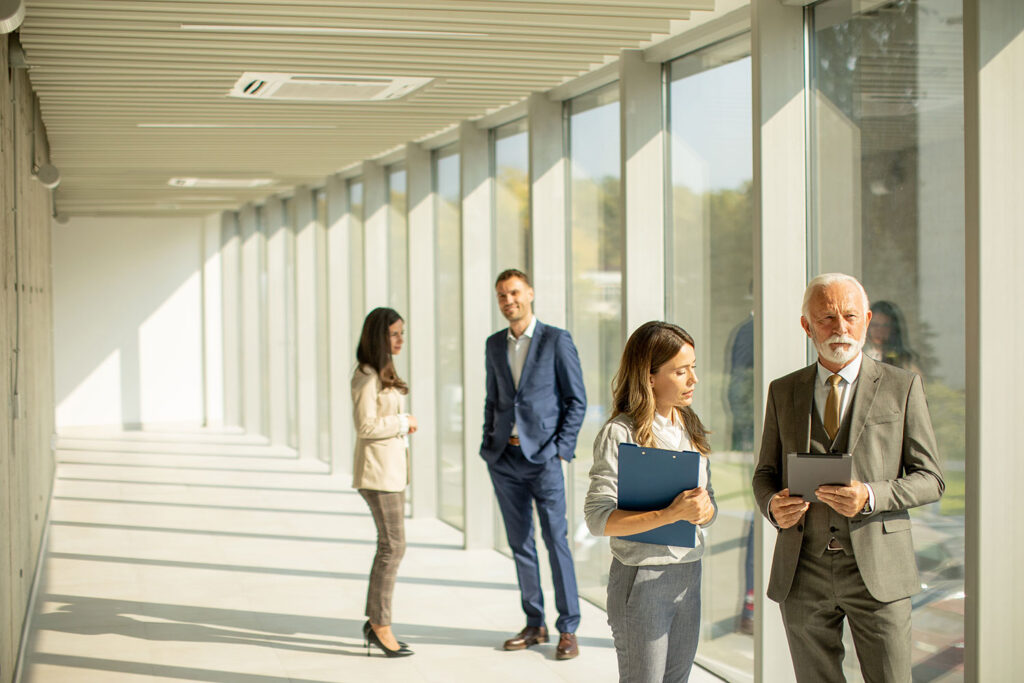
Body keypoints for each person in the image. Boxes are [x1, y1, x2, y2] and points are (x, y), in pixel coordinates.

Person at [752, 273, 944, 683]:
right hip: (803, 569)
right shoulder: (783, 391)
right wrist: (773, 505)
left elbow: (931, 478)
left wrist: (871, 496)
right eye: (826, 318)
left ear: (867, 320)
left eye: (850, 316)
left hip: (878, 569)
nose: (840, 328)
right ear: (806, 325)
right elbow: (765, 473)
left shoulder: (902, 386)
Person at [584, 321, 717, 683]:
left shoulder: (690, 425)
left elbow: (710, 502)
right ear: (650, 376)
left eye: (693, 367)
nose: (693, 379)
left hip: (689, 574)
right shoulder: (620, 433)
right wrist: (669, 514)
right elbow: (599, 519)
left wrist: (706, 511)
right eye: (680, 371)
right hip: (642, 579)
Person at [480, 268, 587, 660]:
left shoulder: (556, 340)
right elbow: (493, 399)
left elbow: (577, 399)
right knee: (519, 544)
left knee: (556, 542)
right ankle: (534, 622)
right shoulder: (494, 345)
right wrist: (487, 441)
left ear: (530, 294)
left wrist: (561, 449)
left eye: (514, 293)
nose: (509, 301)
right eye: (502, 297)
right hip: (503, 459)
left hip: (544, 460)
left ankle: (569, 628)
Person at [352, 307, 417, 658]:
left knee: (390, 546)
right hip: (377, 475)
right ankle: (380, 625)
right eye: (394, 333)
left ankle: (376, 621)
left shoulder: (382, 371)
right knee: (393, 547)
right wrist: (403, 421)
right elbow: (364, 427)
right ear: (379, 336)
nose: (400, 339)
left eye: (402, 332)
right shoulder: (366, 376)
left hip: (390, 472)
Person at [864, 299, 922, 375]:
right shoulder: (858, 355)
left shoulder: (906, 363)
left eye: (885, 326)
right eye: (875, 325)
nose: (879, 330)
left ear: (893, 329)